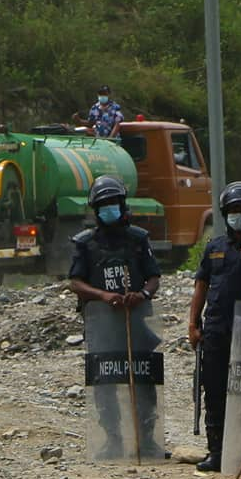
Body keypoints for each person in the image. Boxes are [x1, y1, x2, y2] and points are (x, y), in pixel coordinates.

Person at [69, 174, 162, 455]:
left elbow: (154, 276)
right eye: (103, 205)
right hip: (102, 326)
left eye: (113, 204)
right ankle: (112, 439)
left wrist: (142, 295)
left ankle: (146, 439)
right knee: (105, 382)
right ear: (96, 210)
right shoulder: (85, 243)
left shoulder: (138, 239)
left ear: (123, 206)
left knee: (142, 378)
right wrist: (102, 296)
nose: (109, 209)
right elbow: (75, 282)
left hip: (137, 322)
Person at [188, 181, 241, 472]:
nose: (238, 216)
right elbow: (202, 286)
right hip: (216, 330)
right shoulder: (215, 246)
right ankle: (217, 451)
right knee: (215, 389)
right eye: (233, 211)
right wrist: (193, 323)